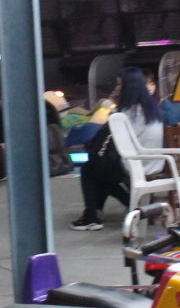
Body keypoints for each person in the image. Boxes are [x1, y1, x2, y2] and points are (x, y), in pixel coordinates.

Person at [70, 66, 164, 231]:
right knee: (100, 168)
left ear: (128, 87)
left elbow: (117, 141)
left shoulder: (128, 112)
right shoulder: (152, 108)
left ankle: (100, 213)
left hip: (136, 163)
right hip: (154, 161)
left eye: (119, 85)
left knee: (91, 169)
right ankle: (94, 213)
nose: (116, 89)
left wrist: (113, 106)